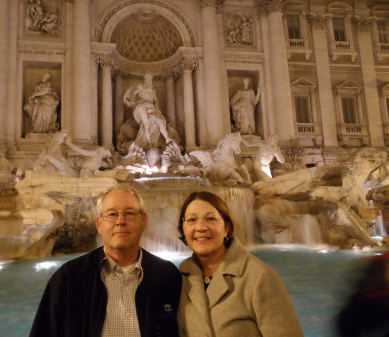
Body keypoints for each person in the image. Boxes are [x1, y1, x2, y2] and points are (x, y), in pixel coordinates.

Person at [29, 184, 182, 337]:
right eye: (111, 214)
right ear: (99, 224)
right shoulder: (68, 278)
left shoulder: (167, 275)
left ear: (144, 221)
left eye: (129, 213)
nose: (120, 221)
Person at [176, 191, 304, 337]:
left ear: (227, 228)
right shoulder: (179, 278)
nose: (200, 227)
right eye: (191, 220)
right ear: (183, 228)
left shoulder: (259, 277)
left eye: (210, 218)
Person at [123, 73, 172, 150]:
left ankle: (166, 138)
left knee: (159, 121)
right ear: (145, 79)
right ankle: (148, 142)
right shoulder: (140, 86)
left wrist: (158, 111)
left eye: (150, 79)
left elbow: (155, 101)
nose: (149, 80)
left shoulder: (153, 90)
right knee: (146, 125)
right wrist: (132, 101)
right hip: (141, 106)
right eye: (147, 78)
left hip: (151, 107)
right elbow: (133, 94)